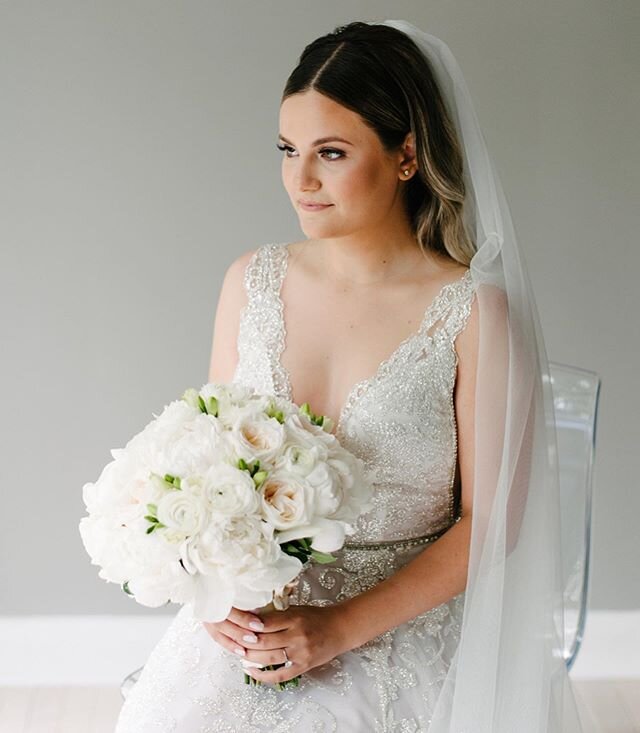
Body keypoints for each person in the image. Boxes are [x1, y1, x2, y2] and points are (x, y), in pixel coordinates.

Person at [115, 20, 591, 732]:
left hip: (397, 624)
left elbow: (490, 521)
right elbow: (209, 466)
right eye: (287, 150)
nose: (300, 180)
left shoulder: (473, 314)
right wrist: (216, 597)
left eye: (331, 153)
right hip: (257, 625)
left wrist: (338, 628)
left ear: (406, 155)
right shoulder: (250, 282)